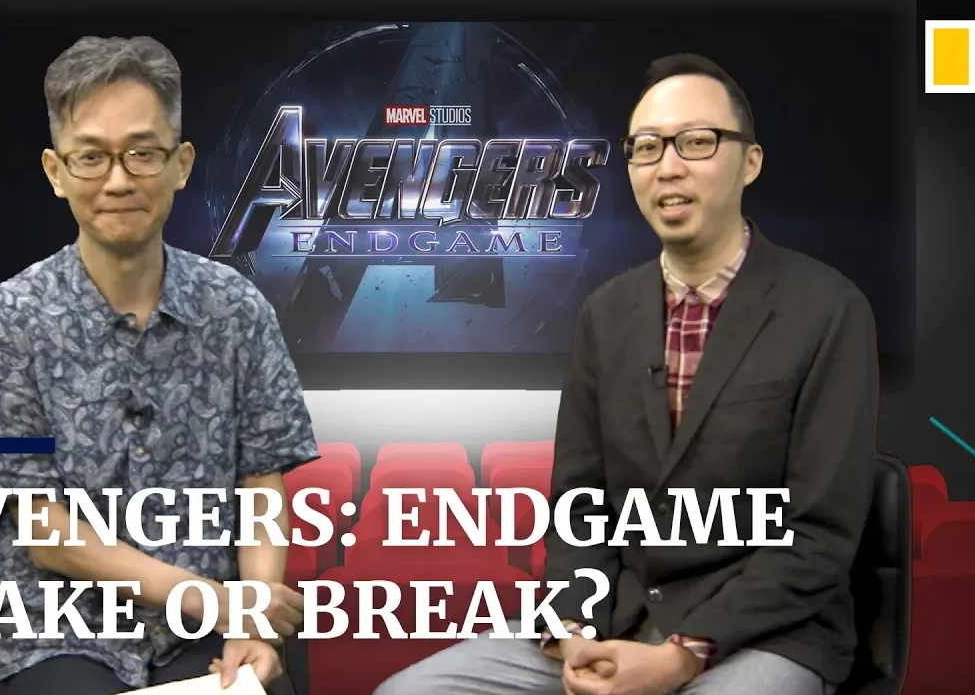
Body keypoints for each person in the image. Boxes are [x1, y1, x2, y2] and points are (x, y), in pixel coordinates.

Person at [375, 53, 879, 695]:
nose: (668, 166)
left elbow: (819, 536)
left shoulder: (829, 309)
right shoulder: (606, 313)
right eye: (647, 147)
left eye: (696, 142)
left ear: (750, 162)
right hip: (619, 617)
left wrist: (683, 654)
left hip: (765, 633)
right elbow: (579, 506)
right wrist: (574, 626)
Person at [0, 36, 318, 694]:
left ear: (182, 164)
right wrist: (216, 600)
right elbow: (43, 528)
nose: (119, 180)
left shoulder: (238, 310)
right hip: (59, 633)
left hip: (206, 631)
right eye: (91, 156)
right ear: (55, 171)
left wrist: (256, 620)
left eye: (142, 153)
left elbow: (260, 484)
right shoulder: (7, 323)